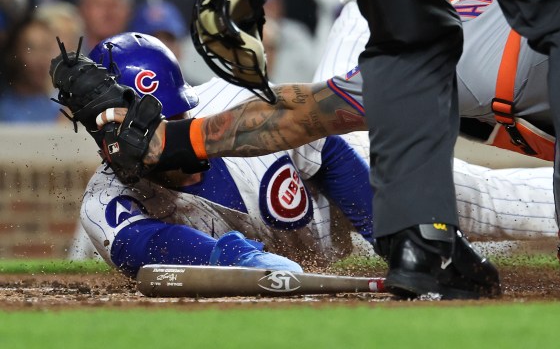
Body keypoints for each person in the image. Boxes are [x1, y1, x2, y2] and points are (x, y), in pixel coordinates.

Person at [187, 0, 560, 298]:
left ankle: (421, 244)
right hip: (480, 38)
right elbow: (311, 120)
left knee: (408, 45)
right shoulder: (483, 65)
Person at [78, 32, 375, 277]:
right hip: (305, 262)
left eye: (174, 114)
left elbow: (328, 147)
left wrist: (385, 228)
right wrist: (233, 257)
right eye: (147, 125)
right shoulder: (105, 199)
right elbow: (141, 244)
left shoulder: (234, 100)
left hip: (360, 176)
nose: (164, 129)